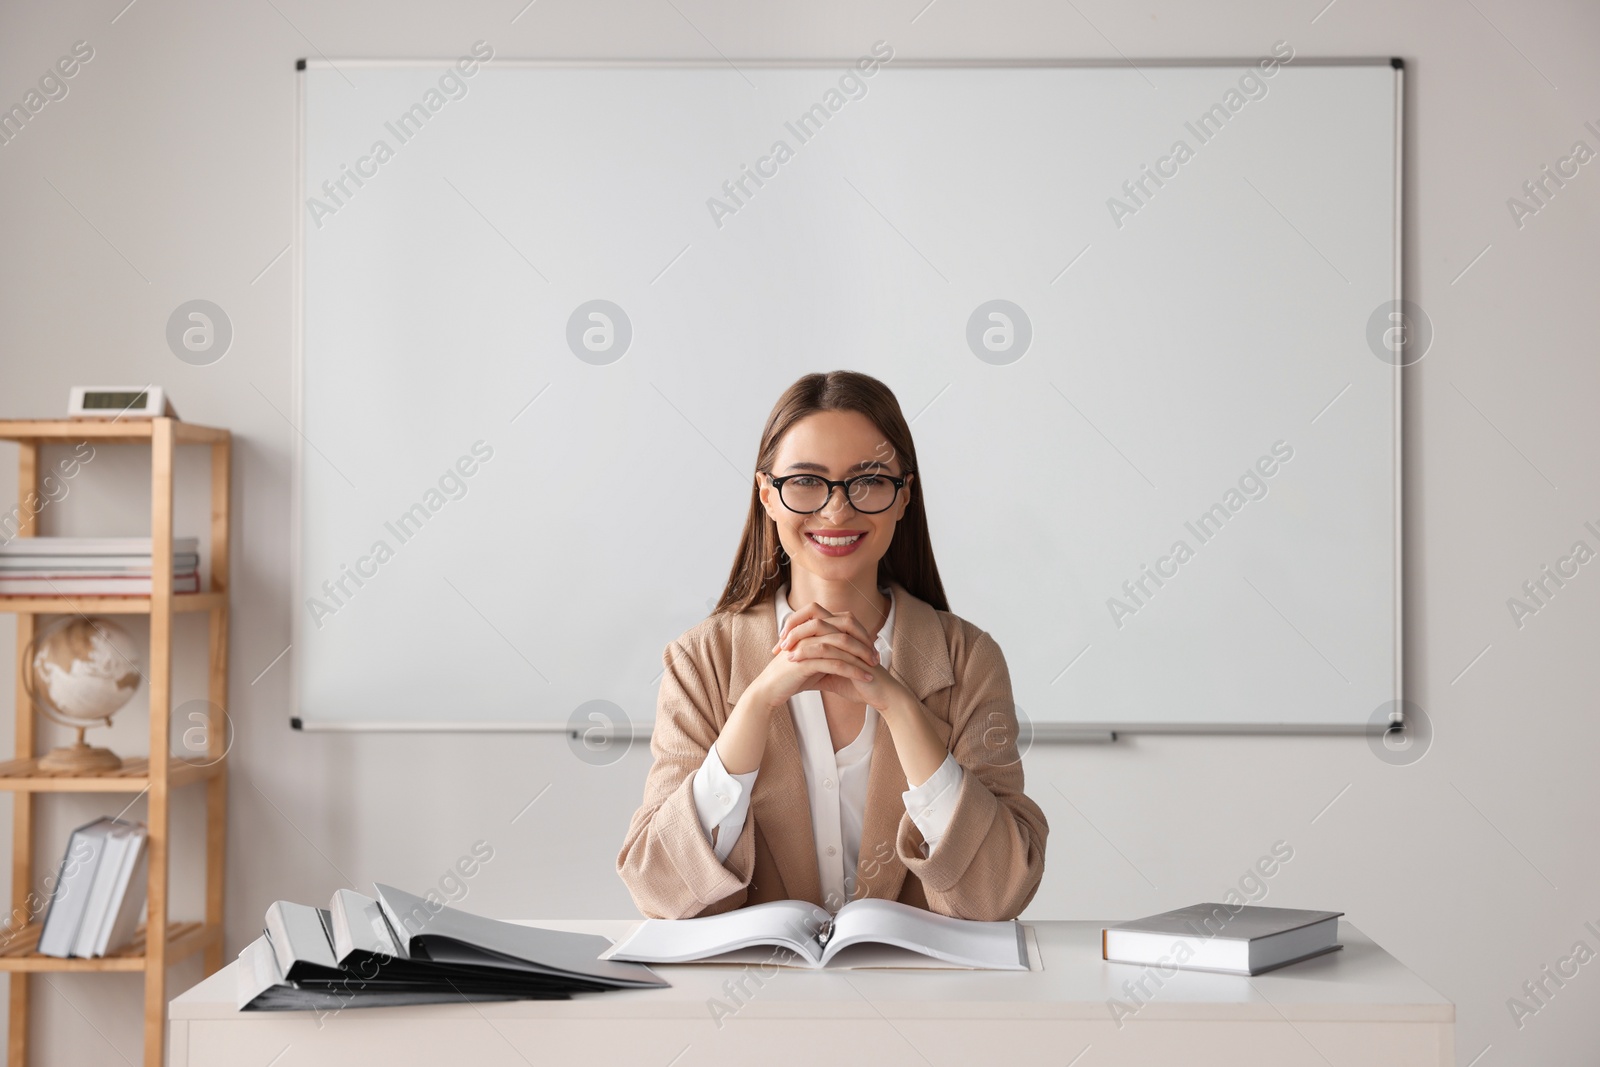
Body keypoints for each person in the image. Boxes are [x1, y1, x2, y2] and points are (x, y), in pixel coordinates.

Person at [616, 370, 1047, 921]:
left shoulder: (968, 659)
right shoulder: (699, 661)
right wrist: (752, 709)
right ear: (767, 496)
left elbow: (997, 895)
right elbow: (660, 892)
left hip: (921, 1001)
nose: (837, 510)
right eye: (806, 482)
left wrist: (898, 705)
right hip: (759, 1000)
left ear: (903, 497)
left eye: (867, 481)